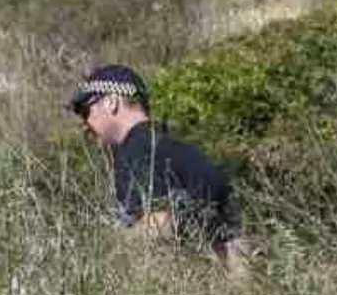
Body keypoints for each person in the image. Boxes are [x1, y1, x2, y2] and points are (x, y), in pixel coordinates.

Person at [69, 64, 244, 259]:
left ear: (111, 102)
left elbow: (161, 223)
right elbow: (235, 240)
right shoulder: (180, 147)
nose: (84, 125)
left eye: (85, 111)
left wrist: (105, 250)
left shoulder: (136, 151)